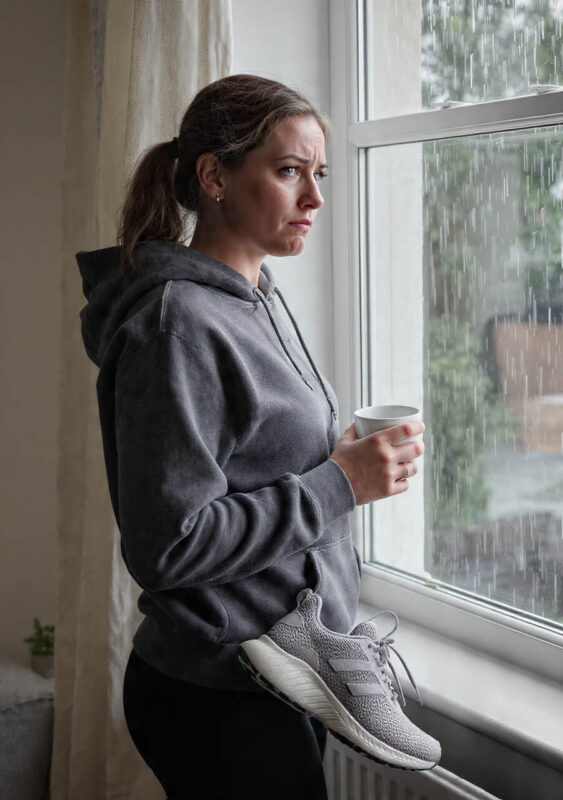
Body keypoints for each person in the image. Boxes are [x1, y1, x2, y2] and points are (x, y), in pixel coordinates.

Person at [77, 74, 425, 799]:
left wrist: (340, 460)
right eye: (289, 170)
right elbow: (167, 545)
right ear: (214, 177)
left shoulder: (259, 295)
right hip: (214, 690)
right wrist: (341, 483)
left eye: (319, 174)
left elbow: (250, 462)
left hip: (278, 675)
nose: (315, 199)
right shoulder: (176, 322)